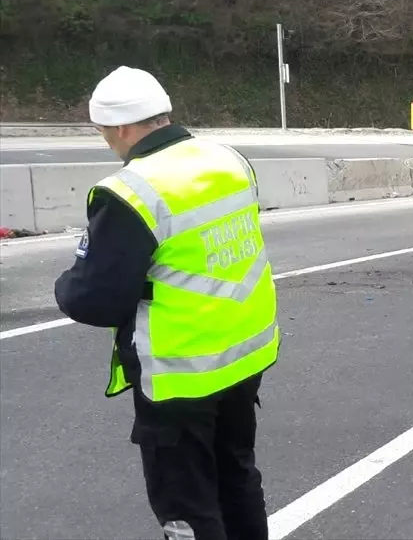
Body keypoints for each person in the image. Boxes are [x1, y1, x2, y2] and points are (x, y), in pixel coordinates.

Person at [54, 66, 280, 540]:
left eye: (103, 133)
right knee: (237, 479)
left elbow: (95, 299)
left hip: (181, 372)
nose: (107, 143)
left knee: (187, 506)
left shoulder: (132, 192)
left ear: (119, 128)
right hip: (244, 355)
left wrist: (65, 285)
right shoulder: (229, 160)